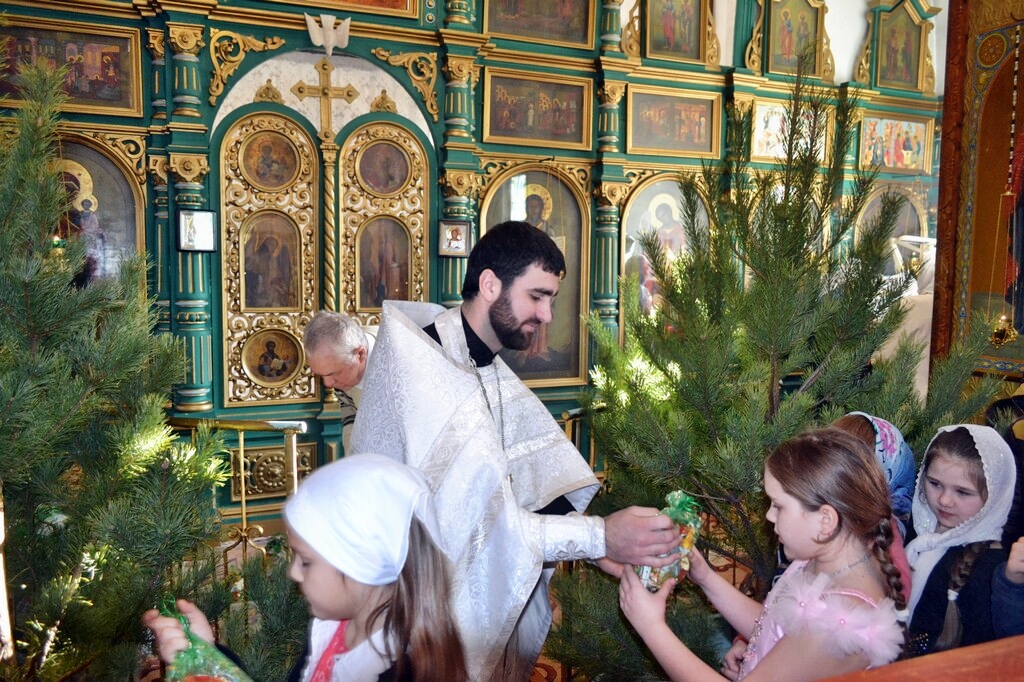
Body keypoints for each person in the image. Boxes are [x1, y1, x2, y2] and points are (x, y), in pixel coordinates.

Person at [350, 220, 681, 681]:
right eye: (537, 296)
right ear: (490, 284)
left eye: (551, 300)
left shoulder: (481, 362)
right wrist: (600, 536)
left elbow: (531, 485)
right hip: (406, 618)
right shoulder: (426, 368)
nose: (546, 315)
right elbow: (473, 528)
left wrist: (594, 546)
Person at [143, 453, 468, 682]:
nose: (294, 573)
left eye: (307, 561)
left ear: (360, 564)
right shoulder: (335, 632)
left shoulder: (398, 671)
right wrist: (209, 656)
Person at [618, 428, 907, 681]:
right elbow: (775, 626)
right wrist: (705, 576)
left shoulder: (838, 627)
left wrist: (651, 627)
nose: (769, 516)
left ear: (825, 521)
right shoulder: (820, 558)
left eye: (778, 505)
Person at [903, 424, 1024, 655]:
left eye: (963, 492)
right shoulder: (918, 533)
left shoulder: (989, 568)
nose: (945, 500)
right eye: (934, 483)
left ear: (995, 495)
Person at [303, 311, 376, 453]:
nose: (328, 383)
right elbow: (351, 416)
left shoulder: (405, 363)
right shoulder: (341, 363)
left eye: (334, 373)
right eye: (321, 375)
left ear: (360, 354)